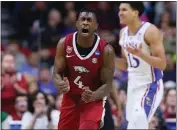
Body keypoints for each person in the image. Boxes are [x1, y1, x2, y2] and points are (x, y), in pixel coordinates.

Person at [53, 8, 115, 129]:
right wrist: (60, 83)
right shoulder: (64, 43)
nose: (85, 23)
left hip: (93, 101)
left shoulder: (106, 50)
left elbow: (107, 85)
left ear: (96, 26)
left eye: (89, 20)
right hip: (70, 98)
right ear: (77, 23)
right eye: (82, 19)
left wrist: (93, 95)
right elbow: (56, 73)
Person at [116, 2, 166, 129]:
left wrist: (142, 55)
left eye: (124, 10)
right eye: (119, 10)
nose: (120, 13)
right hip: (132, 86)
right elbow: (126, 65)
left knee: (139, 118)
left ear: (135, 12)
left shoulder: (150, 31)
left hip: (150, 84)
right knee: (133, 126)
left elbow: (162, 64)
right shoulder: (123, 33)